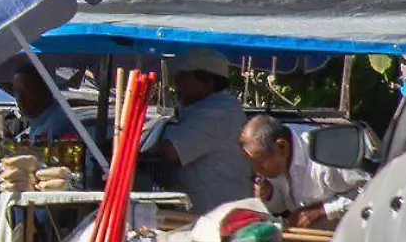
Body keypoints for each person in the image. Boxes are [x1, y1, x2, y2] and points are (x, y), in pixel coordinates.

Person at [144, 49, 252, 214]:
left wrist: (136, 146)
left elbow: (173, 150)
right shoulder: (199, 108)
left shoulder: (219, 113)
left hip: (219, 217)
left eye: (184, 76)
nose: (177, 81)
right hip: (204, 213)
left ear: (207, 79)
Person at [239, 115, 367, 230]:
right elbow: (283, 205)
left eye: (260, 165)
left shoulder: (326, 155)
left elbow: (372, 190)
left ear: (282, 146)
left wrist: (321, 210)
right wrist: (269, 195)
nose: (257, 171)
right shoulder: (275, 156)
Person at [10, 65, 81, 142]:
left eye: (26, 91)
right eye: (17, 92)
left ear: (43, 90)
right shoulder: (37, 121)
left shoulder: (58, 125)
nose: (19, 98)